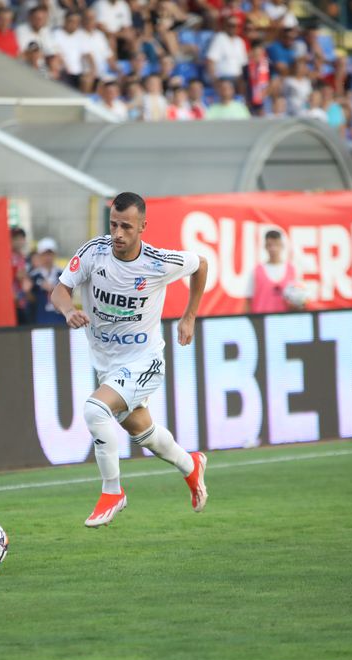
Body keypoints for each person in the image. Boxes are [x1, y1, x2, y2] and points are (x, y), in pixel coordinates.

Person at [48, 191, 209, 528]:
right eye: (113, 225)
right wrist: (67, 311)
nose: (118, 234)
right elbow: (60, 290)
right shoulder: (94, 253)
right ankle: (191, 466)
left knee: (95, 409)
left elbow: (201, 264)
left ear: (143, 227)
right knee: (142, 431)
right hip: (108, 364)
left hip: (145, 360)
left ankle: (112, 492)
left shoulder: (158, 262)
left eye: (126, 227)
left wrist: (190, 315)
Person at [245, 229, 293, 314]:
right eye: (270, 245)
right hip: (261, 321)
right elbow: (248, 301)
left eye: (276, 244)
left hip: (284, 321)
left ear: (282, 245)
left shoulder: (292, 271)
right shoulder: (256, 271)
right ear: (265, 246)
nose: (273, 248)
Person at [29, 237, 67, 325]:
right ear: (39, 256)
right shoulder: (33, 276)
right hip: (40, 320)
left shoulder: (63, 274)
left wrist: (55, 289)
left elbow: (70, 295)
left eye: (50, 254)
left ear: (55, 255)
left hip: (60, 320)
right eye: (44, 254)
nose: (47, 258)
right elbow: (30, 301)